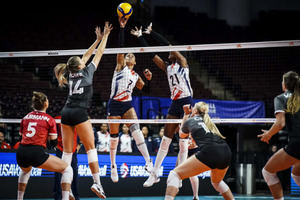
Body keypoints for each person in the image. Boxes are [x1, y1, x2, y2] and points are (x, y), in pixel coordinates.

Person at [54, 22, 112, 199]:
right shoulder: (87, 72)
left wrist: (96, 39)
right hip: (79, 112)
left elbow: (85, 55)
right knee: (91, 149)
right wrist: (106, 37)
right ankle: (97, 183)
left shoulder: (71, 73)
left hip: (66, 112)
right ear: (80, 66)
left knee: (67, 153)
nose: (83, 60)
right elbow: (97, 54)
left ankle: (66, 191)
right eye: (81, 61)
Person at [131, 23, 193, 187]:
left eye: (173, 51)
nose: (170, 52)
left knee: (183, 141)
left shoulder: (183, 63)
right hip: (175, 103)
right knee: (166, 139)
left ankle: (179, 175)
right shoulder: (167, 67)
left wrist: (153, 33)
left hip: (187, 101)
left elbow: (169, 46)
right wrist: (141, 37)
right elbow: (152, 54)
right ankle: (155, 173)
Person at [106, 17, 153, 183]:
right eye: (127, 55)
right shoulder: (120, 67)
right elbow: (120, 47)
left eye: (131, 55)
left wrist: (149, 79)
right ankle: (113, 166)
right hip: (114, 104)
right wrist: (122, 28)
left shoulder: (136, 76)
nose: (129, 55)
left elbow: (145, 89)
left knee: (137, 130)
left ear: (135, 61)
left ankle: (148, 163)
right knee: (113, 137)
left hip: (127, 104)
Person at [164, 102, 234, 200]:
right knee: (217, 182)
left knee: (174, 175)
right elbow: (205, 136)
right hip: (226, 151)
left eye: (193, 108)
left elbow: (181, 135)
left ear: (195, 110)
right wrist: (194, 142)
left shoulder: (191, 120)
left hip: (210, 151)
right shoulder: (208, 121)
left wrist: (186, 114)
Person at [16, 91, 73, 200]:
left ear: (33, 105)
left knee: (25, 171)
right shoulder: (49, 119)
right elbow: (53, 142)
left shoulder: (25, 117)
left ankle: (19, 198)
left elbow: (21, 137)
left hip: (21, 152)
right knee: (67, 169)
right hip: (36, 152)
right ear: (46, 104)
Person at [257, 71, 300, 200]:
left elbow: (280, 123)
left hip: (297, 144)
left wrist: (268, 134)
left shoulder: (281, 98)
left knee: (267, 172)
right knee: (297, 175)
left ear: (284, 85)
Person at [53, 116, 80, 200]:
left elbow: (80, 133)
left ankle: (75, 197)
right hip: (61, 150)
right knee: (59, 175)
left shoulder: (78, 118)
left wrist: (78, 144)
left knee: (74, 174)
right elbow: (53, 133)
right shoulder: (57, 119)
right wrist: (55, 145)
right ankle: (58, 197)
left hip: (73, 151)